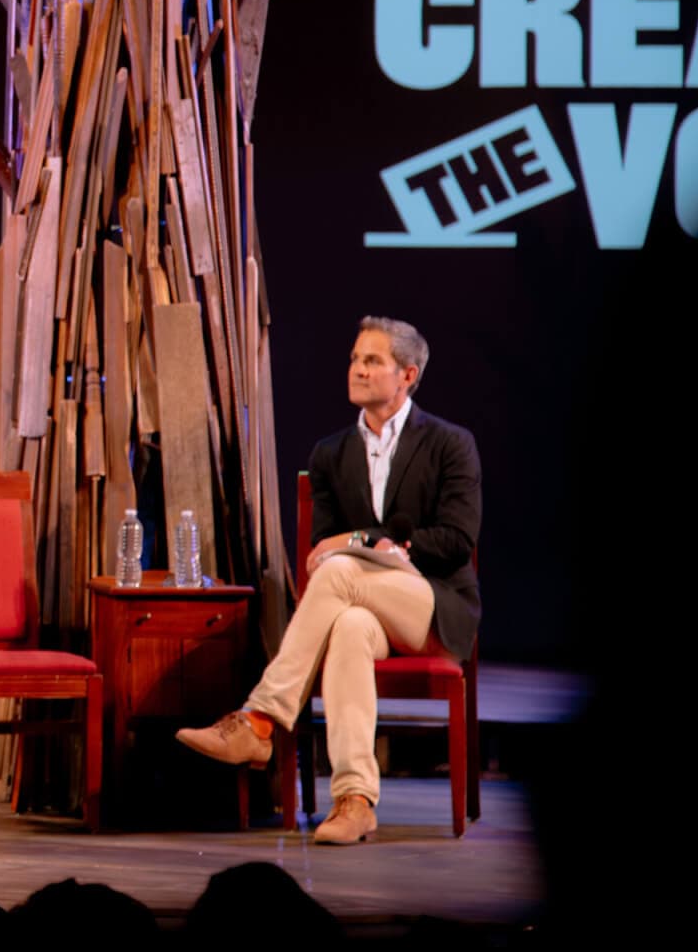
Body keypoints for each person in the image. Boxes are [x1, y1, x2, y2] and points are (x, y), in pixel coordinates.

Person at [176, 316, 479, 845]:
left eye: (373, 361)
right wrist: (357, 547)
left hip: (432, 606)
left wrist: (364, 540)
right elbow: (321, 549)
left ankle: (260, 719)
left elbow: (455, 540)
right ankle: (356, 800)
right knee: (349, 627)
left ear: (407, 375)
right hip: (361, 605)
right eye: (355, 359)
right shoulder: (330, 454)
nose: (357, 370)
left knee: (341, 569)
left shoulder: (450, 444)